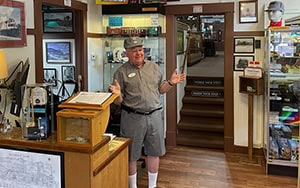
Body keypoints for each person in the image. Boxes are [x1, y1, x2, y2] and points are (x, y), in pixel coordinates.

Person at [109, 37, 185, 188]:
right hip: (132, 118)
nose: (138, 53)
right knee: (131, 155)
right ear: (126, 53)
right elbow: (118, 102)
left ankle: (152, 185)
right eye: (134, 50)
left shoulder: (154, 67)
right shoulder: (121, 72)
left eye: (140, 50)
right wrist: (117, 94)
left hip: (154, 116)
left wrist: (170, 83)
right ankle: (132, 186)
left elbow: (160, 90)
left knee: (154, 152)